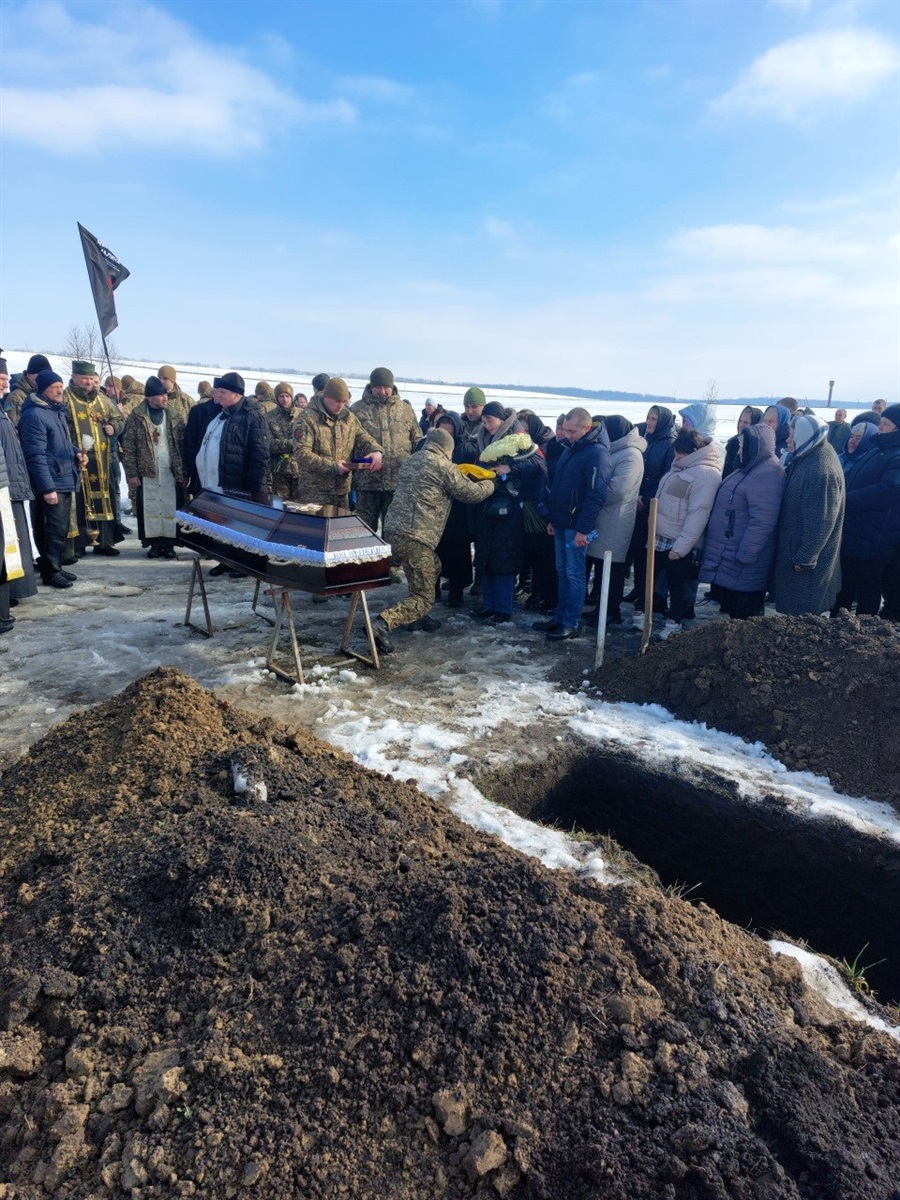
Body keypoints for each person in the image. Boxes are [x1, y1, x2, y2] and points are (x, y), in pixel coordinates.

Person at [372, 428, 496, 653]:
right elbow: (471, 493)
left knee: (433, 566)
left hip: (392, 532)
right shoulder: (442, 465)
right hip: (416, 537)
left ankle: (418, 618)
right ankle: (382, 624)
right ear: (447, 449)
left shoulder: (411, 460)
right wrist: (490, 483)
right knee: (424, 597)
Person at [533, 407, 609, 641]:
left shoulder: (596, 453)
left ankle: (570, 621)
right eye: (564, 430)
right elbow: (558, 486)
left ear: (586, 428)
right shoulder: (570, 448)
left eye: (572, 431)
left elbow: (596, 494)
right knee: (562, 571)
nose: (566, 435)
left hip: (576, 526)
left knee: (574, 573)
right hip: (561, 521)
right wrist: (552, 519)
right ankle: (560, 616)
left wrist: (583, 529)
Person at [700, 423, 785, 619]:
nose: (739, 450)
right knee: (734, 611)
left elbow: (762, 521)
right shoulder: (748, 468)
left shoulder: (769, 473)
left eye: (742, 446)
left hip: (744, 558)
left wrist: (747, 553)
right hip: (731, 552)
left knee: (744, 614)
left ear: (756, 447)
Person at [648, 428, 723, 637]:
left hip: (679, 540)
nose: (677, 457)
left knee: (677, 584)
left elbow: (698, 514)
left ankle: (674, 623)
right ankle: (648, 617)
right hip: (662, 536)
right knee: (657, 578)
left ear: (694, 451)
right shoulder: (680, 467)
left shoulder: (706, 474)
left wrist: (680, 548)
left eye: (680, 453)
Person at [472, 424, 545, 625]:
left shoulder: (526, 452)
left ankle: (503, 608)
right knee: (487, 561)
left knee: (504, 561)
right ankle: (489, 605)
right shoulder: (486, 451)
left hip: (509, 515)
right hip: (487, 513)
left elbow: (538, 468)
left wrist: (510, 469)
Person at [831, 403, 900, 617]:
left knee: (867, 589)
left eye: (885, 424)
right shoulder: (878, 449)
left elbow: (888, 490)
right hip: (856, 533)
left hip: (875, 538)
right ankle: (837, 627)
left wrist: (846, 499)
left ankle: (865, 630)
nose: (880, 427)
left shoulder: (896, 455)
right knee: (844, 587)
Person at [19, 370, 85, 589]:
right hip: (51, 481)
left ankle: (56, 566)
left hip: (63, 477)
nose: (59, 391)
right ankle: (50, 572)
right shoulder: (34, 415)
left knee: (60, 527)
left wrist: (76, 452)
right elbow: (35, 455)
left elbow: (60, 443)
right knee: (51, 529)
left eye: (60, 386)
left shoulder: (55, 411)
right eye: (54, 387)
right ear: (43, 390)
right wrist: (47, 488)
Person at [773, 414, 845, 617]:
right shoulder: (808, 456)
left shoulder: (821, 471)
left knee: (804, 614)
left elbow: (822, 521)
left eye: (792, 435)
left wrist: (806, 558)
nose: (788, 440)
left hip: (806, 565)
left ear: (805, 436)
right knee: (794, 612)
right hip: (794, 548)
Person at [584, 416, 645, 624]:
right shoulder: (615, 450)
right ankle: (601, 609)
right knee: (602, 566)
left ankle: (611, 611)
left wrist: (592, 493)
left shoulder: (631, 455)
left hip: (616, 519)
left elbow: (617, 490)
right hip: (605, 517)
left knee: (612, 566)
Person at [120, 376, 187, 560]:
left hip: (170, 471)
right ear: (150, 398)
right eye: (161, 395)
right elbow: (128, 446)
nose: (165, 398)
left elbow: (183, 445)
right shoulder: (137, 417)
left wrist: (184, 472)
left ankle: (170, 544)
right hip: (147, 471)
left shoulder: (174, 415)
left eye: (166, 394)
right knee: (151, 506)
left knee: (170, 506)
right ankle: (155, 544)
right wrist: (131, 473)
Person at [64, 360, 125, 557]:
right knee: (80, 502)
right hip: (77, 462)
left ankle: (104, 542)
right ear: (74, 377)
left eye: (91, 378)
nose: (89, 382)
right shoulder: (65, 399)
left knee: (104, 499)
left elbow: (119, 419)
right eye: (84, 378)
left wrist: (113, 427)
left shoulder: (103, 400)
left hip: (102, 462)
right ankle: (79, 545)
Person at [350, 367, 419, 539]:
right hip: (367, 484)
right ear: (371, 387)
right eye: (378, 387)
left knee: (394, 532)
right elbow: (349, 444)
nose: (382, 391)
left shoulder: (406, 410)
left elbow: (417, 441)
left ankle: (391, 557)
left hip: (398, 484)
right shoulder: (357, 410)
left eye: (386, 387)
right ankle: (366, 557)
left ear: (392, 386)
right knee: (364, 533)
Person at [293, 377, 383, 508]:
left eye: (344, 401)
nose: (341, 405)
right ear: (326, 397)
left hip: (341, 492)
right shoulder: (307, 418)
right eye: (337, 401)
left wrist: (376, 451)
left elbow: (363, 437)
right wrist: (332, 467)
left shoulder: (349, 418)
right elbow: (301, 453)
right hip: (315, 493)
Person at [626, 405, 676, 610]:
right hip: (636, 500)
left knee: (649, 552)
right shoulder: (645, 439)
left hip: (652, 506)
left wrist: (646, 499)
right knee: (637, 549)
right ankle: (637, 587)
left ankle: (649, 593)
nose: (649, 422)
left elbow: (665, 477)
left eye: (654, 419)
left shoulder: (669, 445)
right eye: (648, 417)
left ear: (662, 421)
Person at [0, 368, 37, 605]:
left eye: (5, 379)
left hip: (9, 484)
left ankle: (11, 593)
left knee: (13, 543)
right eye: (1, 380)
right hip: (4, 486)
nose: (5, 385)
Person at [265, 383, 301, 501]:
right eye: (281, 396)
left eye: (287, 396)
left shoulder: (303, 415)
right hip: (279, 471)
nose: (285, 399)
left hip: (300, 470)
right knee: (281, 505)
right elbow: (268, 444)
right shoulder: (268, 418)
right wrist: (291, 444)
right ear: (276, 398)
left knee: (301, 506)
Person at [7, 354, 51, 427]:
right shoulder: (16, 397)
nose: (44, 377)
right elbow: (11, 426)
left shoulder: (47, 393)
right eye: (40, 374)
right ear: (29, 375)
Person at [722, 406, 763, 478]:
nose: (741, 425)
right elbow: (725, 471)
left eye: (746, 422)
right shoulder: (732, 444)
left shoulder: (761, 447)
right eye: (740, 421)